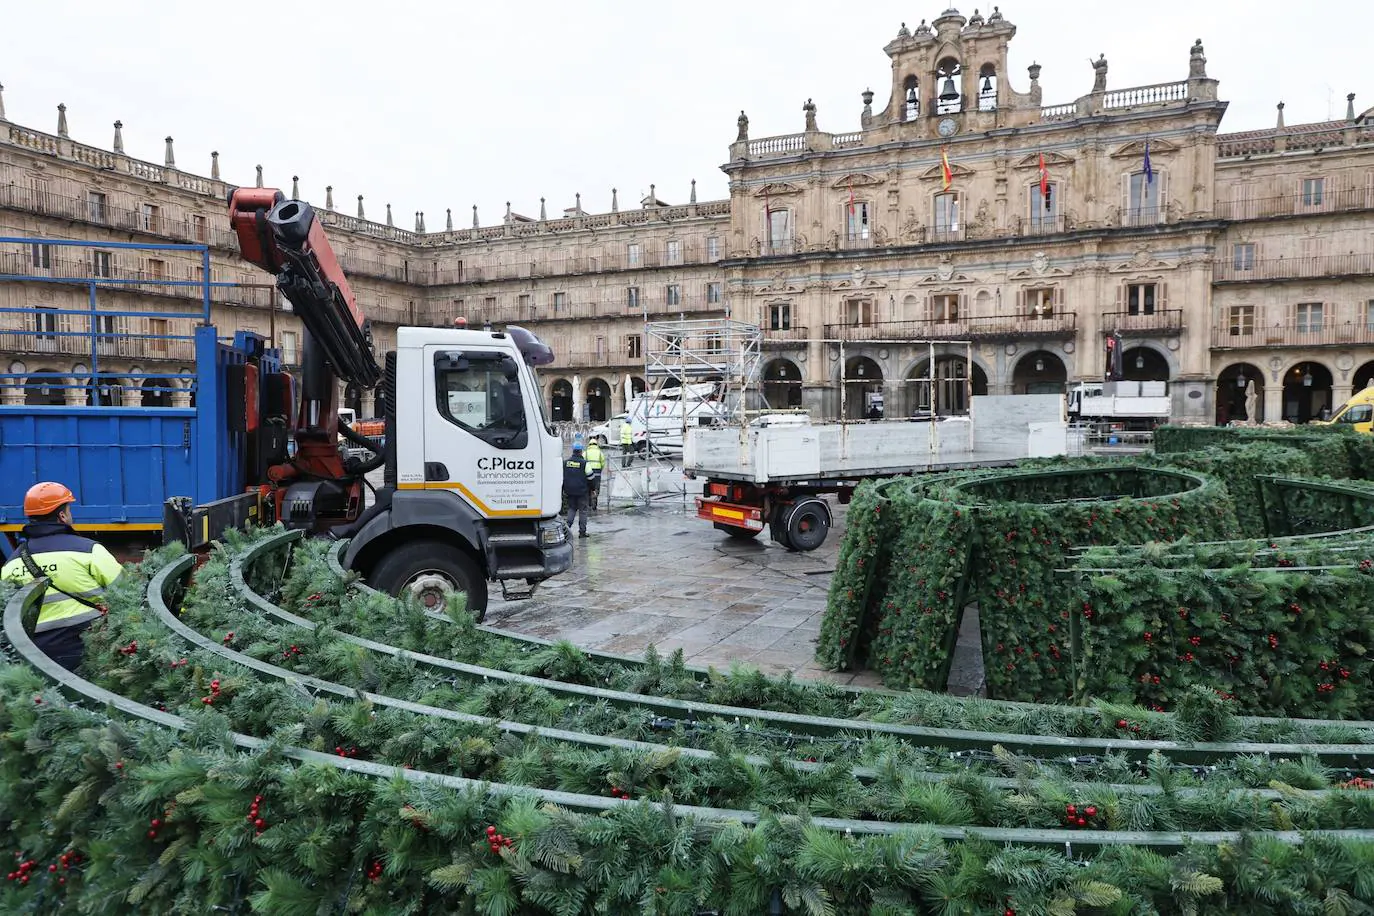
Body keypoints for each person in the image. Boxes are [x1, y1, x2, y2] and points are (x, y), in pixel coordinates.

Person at [1, 482, 123, 672]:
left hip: (37, 656)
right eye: (69, 509)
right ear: (62, 515)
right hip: (89, 647)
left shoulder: (11, 564)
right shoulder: (88, 550)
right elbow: (128, 592)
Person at [562, 438, 590, 538]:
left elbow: (561, 477)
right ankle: (582, 532)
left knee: (572, 509)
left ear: (573, 450)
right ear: (581, 451)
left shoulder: (565, 463)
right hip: (582, 492)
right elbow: (591, 477)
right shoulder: (584, 463)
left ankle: (566, 531)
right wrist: (593, 489)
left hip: (570, 491)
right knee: (583, 511)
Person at [584, 437, 605, 510]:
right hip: (597, 473)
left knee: (588, 488)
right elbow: (603, 463)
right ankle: (594, 505)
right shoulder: (600, 453)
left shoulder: (585, 452)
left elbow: (583, 462)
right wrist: (600, 470)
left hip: (587, 473)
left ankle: (589, 504)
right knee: (595, 489)